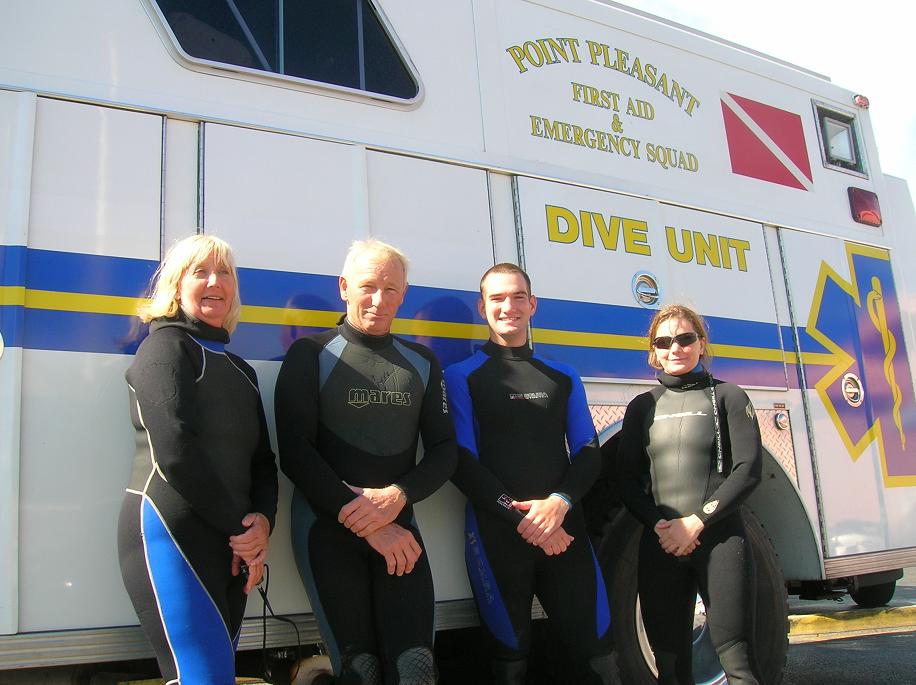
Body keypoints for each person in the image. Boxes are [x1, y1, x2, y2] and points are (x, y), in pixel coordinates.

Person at [275, 239, 457, 685]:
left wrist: (399, 496)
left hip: (401, 533)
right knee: (361, 672)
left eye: (391, 289)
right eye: (368, 286)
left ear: (404, 294)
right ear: (344, 287)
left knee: (416, 669)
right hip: (327, 531)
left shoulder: (422, 361)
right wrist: (371, 523)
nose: (379, 299)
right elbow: (296, 452)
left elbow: (444, 451)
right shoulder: (310, 354)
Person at [443, 263, 618, 685]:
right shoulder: (460, 377)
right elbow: (461, 462)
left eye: (518, 296)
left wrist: (558, 504)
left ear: (533, 304)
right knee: (510, 659)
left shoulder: (562, 376)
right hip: (499, 535)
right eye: (498, 298)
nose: (509, 306)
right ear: (482, 307)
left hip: (565, 532)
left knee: (600, 656)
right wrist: (523, 517)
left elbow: (589, 454)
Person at [117, 234, 278, 684]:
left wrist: (262, 524)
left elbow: (263, 461)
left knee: (218, 674)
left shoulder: (240, 369)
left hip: (232, 542)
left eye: (224, 272)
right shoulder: (165, 348)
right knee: (200, 677)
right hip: (172, 532)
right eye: (200, 271)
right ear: (176, 284)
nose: (215, 282)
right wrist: (240, 531)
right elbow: (174, 449)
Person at [616, 304, 762, 684]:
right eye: (663, 342)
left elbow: (748, 471)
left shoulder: (730, 397)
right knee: (670, 672)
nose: (674, 348)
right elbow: (626, 481)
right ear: (653, 351)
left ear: (701, 343)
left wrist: (697, 521)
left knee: (739, 665)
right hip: (661, 546)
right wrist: (660, 525)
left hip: (720, 542)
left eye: (685, 338)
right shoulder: (641, 407)